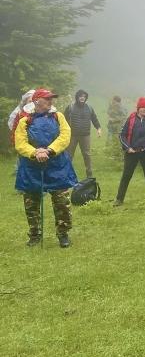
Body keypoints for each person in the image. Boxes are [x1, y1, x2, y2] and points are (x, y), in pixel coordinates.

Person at [14, 89, 78, 247]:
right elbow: (20, 143)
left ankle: (63, 234)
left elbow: (65, 136)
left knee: (62, 201)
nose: (51, 101)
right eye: (47, 99)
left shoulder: (58, 117)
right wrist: (35, 152)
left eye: (52, 99)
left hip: (57, 165)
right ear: (36, 101)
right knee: (31, 203)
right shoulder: (24, 120)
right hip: (31, 166)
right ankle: (35, 234)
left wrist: (49, 150)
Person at [114, 97, 145, 207]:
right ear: (138, 108)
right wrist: (127, 148)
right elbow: (122, 135)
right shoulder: (131, 119)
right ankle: (119, 199)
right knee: (126, 176)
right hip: (132, 152)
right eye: (142, 107)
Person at [64, 89, 102, 179]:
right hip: (72, 135)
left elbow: (94, 119)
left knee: (87, 154)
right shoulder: (70, 107)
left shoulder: (89, 108)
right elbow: (63, 120)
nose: (82, 98)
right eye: (81, 96)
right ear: (77, 97)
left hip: (85, 135)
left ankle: (89, 174)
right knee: (69, 154)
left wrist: (99, 128)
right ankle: (66, 173)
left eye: (84, 96)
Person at [106, 95, 127, 162]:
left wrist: (114, 120)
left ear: (117, 101)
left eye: (114, 100)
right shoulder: (112, 106)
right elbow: (108, 113)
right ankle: (116, 156)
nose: (113, 102)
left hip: (119, 127)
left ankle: (121, 157)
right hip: (113, 127)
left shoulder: (121, 107)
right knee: (114, 141)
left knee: (119, 142)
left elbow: (124, 116)